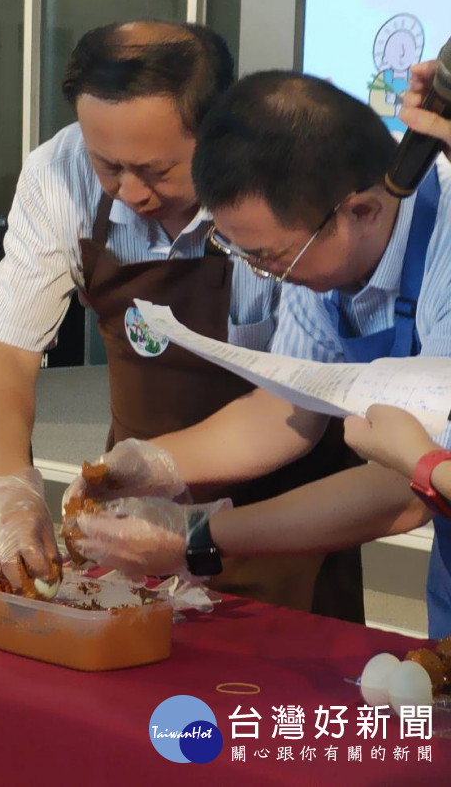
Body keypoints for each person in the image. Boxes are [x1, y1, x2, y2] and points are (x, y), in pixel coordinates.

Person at [0, 22, 363, 619]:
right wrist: (8, 489)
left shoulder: (289, 188)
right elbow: (5, 355)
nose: (131, 192)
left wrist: (163, 464)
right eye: (108, 165)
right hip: (125, 518)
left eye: (156, 171)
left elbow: (294, 406)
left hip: (283, 518)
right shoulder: (59, 173)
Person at [59, 69, 451, 638]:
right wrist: (149, 462)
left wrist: (196, 540)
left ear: (362, 211)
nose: (266, 272)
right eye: (240, 251)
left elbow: (412, 484)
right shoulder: (321, 244)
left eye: (271, 256)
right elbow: (284, 412)